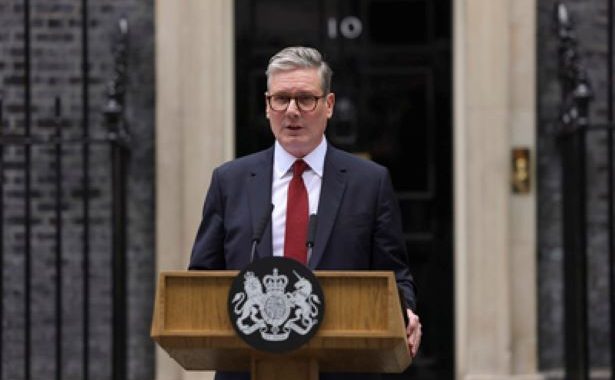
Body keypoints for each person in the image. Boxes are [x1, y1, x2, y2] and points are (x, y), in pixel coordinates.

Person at [189, 46, 421, 380]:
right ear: (267, 105)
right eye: (281, 99)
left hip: (343, 368)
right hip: (249, 366)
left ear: (328, 105)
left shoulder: (369, 182)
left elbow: (395, 274)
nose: (292, 111)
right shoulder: (230, 181)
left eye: (305, 99)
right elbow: (201, 278)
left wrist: (407, 312)